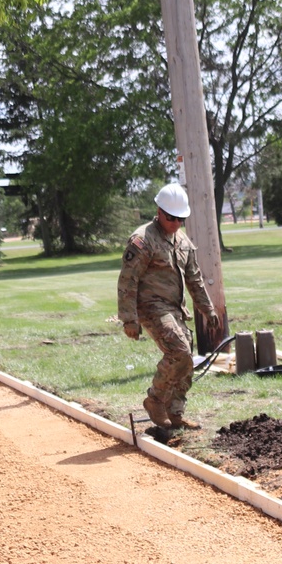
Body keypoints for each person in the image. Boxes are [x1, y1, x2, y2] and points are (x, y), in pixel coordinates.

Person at [117, 183, 221, 432]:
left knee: (186, 362)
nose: (175, 223)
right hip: (151, 308)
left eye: (180, 219)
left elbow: (194, 278)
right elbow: (127, 280)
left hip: (175, 309)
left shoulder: (182, 241)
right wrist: (129, 318)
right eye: (171, 217)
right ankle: (155, 400)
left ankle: (175, 413)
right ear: (159, 211)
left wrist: (208, 309)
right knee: (180, 352)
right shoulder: (143, 240)